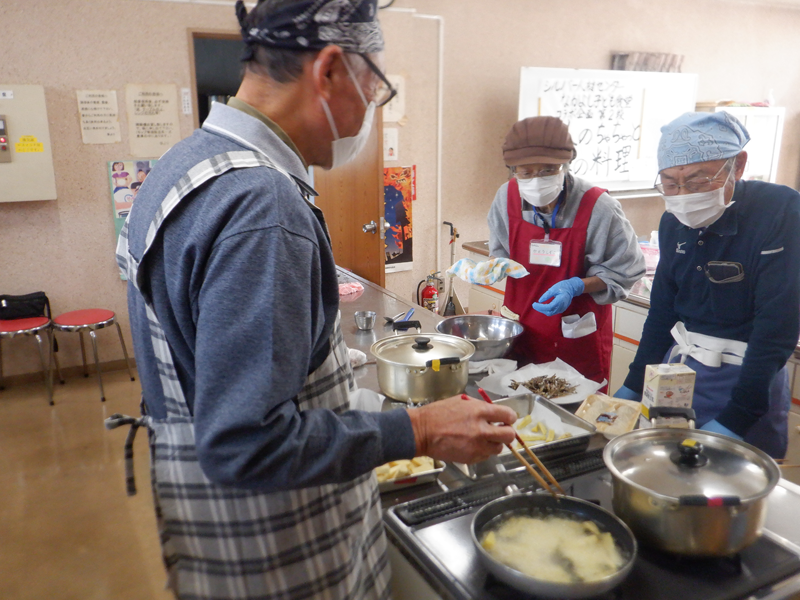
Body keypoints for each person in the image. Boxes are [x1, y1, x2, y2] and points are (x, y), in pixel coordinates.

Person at [108, 1, 518, 599]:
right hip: (279, 553)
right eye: (375, 88)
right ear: (328, 71)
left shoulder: (186, 163)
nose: (372, 112)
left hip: (215, 532)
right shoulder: (262, 206)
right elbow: (246, 443)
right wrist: (420, 430)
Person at [615, 111, 800, 458]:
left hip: (749, 381)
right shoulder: (673, 221)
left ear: (738, 165)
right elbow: (662, 312)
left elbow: (777, 325)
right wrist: (634, 381)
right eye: (670, 183)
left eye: (699, 181)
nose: (683, 195)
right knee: (669, 475)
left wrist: (738, 417)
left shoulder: (781, 211)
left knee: (731, 495)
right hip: (681, 373)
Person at [488, 116, 645, 386]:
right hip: (520, 328)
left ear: (566, 165)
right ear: (512, 169)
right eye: (525, 172)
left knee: (576, 418)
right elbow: (500, 252)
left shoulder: (599, 207)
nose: (536, 180)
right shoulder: (506, 198)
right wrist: (494, 266)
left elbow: (624, 272)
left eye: (548, 170)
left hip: (575, 338)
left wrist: (575, 286)